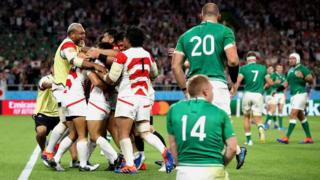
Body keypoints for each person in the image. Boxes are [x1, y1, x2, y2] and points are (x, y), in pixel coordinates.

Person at [171, 2, 246, 169]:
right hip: (216, 84)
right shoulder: (225, 31)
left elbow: (175, 66)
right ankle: (233, 153)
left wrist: (184, 88)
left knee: (195, 125)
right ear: (218, 16)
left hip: (194, 83)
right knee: (221, 124)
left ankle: (194, 162)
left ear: (200, 16)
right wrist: (233, 81)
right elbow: (233, 60)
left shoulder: (186, 35)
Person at [101, 27, 174, 174]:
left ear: (128, 40)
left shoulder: (123, 55)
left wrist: (103, 75)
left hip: (128, 97)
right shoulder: (148, 55)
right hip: (144, 98)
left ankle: (130, 165)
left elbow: (112, 78)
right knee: (145, 132)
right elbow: (155, 73)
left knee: (123, 133)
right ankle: (165, 152)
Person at [43, 23, 105, 161]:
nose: (84, 35)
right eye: (81, 33)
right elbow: (75, 60)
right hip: (63, 88)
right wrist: (95, 65)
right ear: (72, 34)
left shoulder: (75, 45)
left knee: (71, 128)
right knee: (67, 124)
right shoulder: (67, 45)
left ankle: (55, 154)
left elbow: (85, 51)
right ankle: (49, 152)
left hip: (68, 89)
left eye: (84, 33)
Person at [167, 75, 237, 180]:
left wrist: (180, 165)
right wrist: (221, 164)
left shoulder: (173, 110)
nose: (213, 93)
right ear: (205, 92)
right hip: (214, 169)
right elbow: (232, 148)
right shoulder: (220, 113)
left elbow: (172, 145)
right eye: (212, 90)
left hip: (184, 171)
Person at [232, 51, 273, 145]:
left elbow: (238, 81)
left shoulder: (243, 68)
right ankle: (261, 128)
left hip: (247, 94)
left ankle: (249, 140)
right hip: (258, 95)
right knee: (258, 118)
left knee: (246, 117)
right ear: (255, 59)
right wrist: (263, 88)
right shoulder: (262, 68)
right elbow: (270, 82)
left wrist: (234, 91)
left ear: (247, 60)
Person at [277, 53, 314, 144]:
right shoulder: (290, 71)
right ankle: (309, 138)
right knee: (301, 116)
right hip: (294, 95)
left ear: (297, 59)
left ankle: (286, 137)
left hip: (300, 93)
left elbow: (311, 80)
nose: (290, 60)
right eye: (290, 59)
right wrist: (277, 90)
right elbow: (286, 83)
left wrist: (304, 77)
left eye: (293, 59)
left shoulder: (302, 68)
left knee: (293, 113)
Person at [32, 67, 59, 166]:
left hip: (59, 114)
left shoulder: (65, 78)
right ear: (51, 69)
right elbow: (44, 85)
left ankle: (75, 160)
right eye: (55, 67)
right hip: (43, 113)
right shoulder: (45, 79)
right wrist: (59, 85)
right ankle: (44, 150)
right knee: (41, 132)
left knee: (66, 136)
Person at [272, 64, 287, 130]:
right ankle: (275, 124)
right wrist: (275, 82)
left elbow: (285, 85)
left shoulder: (283, 76)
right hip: (275, 93)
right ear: (276, 68)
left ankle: (280, 126)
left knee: (280, 109)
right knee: (274, 110)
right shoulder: (273, 75)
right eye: (278, 68)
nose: (280, 69)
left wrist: (284, 94)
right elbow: (270, 83)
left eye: (281, 68)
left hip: (281, 94)